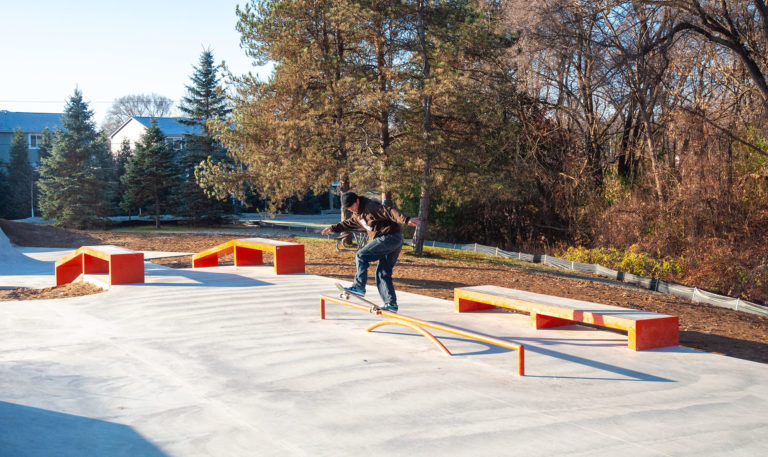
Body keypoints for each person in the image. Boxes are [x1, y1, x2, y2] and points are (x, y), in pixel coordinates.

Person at [322, 191, 420, 312]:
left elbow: (388, 211)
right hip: (395, 239)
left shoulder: (370, 206)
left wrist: (405, 219)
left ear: (357, 200)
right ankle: (391, 304)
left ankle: (359, 287)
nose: (351, 209)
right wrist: (332, 228)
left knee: (361, 256)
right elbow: (348, 223)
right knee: (382, 273)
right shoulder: (357, 214)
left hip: (389, 237)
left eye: (352, 206)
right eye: (348, 208)